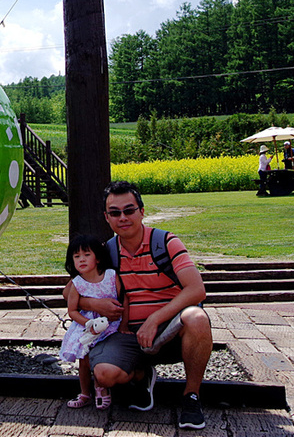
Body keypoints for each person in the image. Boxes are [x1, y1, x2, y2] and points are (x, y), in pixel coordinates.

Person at [79, 180, 212, 430]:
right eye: (115, 213)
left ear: (142, 211)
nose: (123, 217)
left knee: (197, 318)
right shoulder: (107, 252)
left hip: (170, 329)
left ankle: (191, 396)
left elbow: (197, 289)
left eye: (129, 210)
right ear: (106, 217)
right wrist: (95, 303)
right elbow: (75, 292)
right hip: (129, 333)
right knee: (105, 374)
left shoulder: (165, 243)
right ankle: (142, 375)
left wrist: (155, 319)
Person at [59, 234, 122, 410]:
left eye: (87, 255)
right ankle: (85, 392)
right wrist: (88, 323)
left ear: (98, 258)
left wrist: (123, 325)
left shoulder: (111, 276)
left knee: (102, 354)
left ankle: (102, 387)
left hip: (111, 323)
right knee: (84, 358)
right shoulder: (77, 283)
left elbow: (124, 300)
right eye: (77, 256)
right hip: (87, 325)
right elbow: (72, 311)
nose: (82, 260)